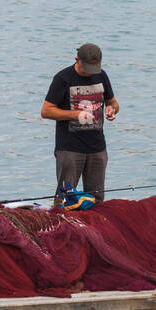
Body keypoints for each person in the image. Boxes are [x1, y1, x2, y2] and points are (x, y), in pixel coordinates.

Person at [41, 44, 118, 204]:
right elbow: (46, 111)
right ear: (77, 60)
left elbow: (113, 102)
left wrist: (111, 110)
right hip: (70, 150)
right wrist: (75, 115)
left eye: (94, 67)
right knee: (65, 200)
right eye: (87, 68)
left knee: (97, 200)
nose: (91, 72)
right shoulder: (63, 79)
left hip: (97, 148)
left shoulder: (102, 76)